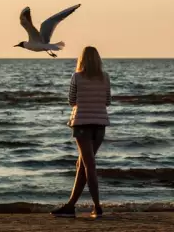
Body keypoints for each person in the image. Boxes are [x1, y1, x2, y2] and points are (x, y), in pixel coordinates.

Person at [51, 46, 111, 219]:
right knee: (82, 165)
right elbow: (107, 101)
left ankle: (97, 207)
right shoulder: (105, 77)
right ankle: (70, 206)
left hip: (82, 124)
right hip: (100, 125)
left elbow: (71, 101)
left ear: (82, 60)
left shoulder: (76, 77)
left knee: (88, 165)